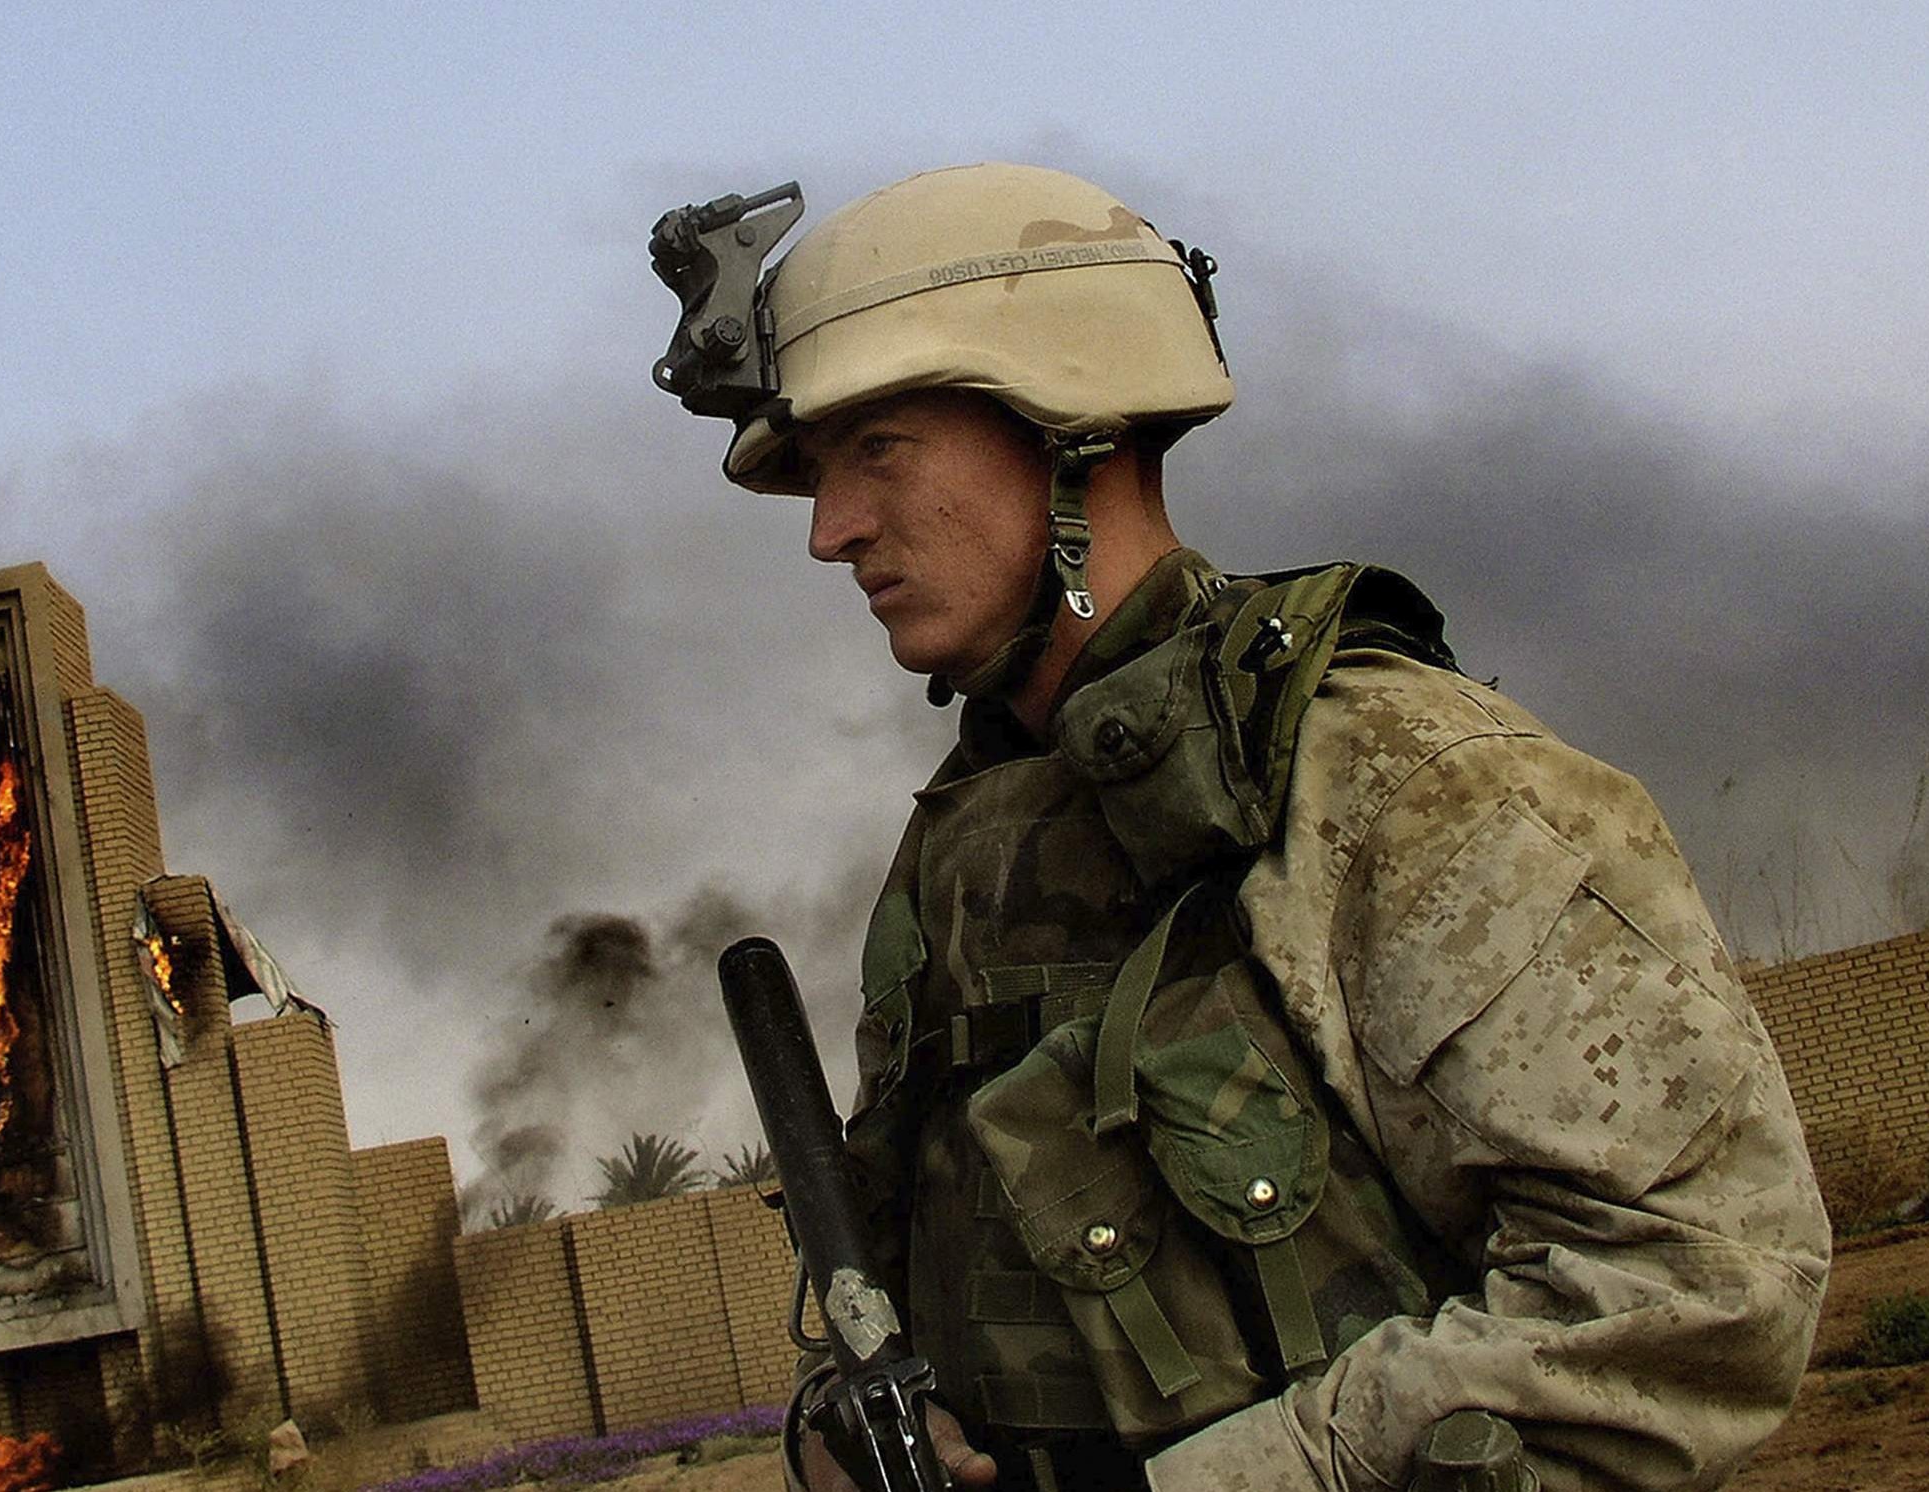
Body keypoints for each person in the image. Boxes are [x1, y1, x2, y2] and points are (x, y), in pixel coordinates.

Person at [651, 163, 1830, 1492]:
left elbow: (1700, 1291)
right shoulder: (967, 841)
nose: (831, 531)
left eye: (877, 450)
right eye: (816, 470)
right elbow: (926, 1269)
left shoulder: (1405, 779)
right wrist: (842, 1436)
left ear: (1076, 426)